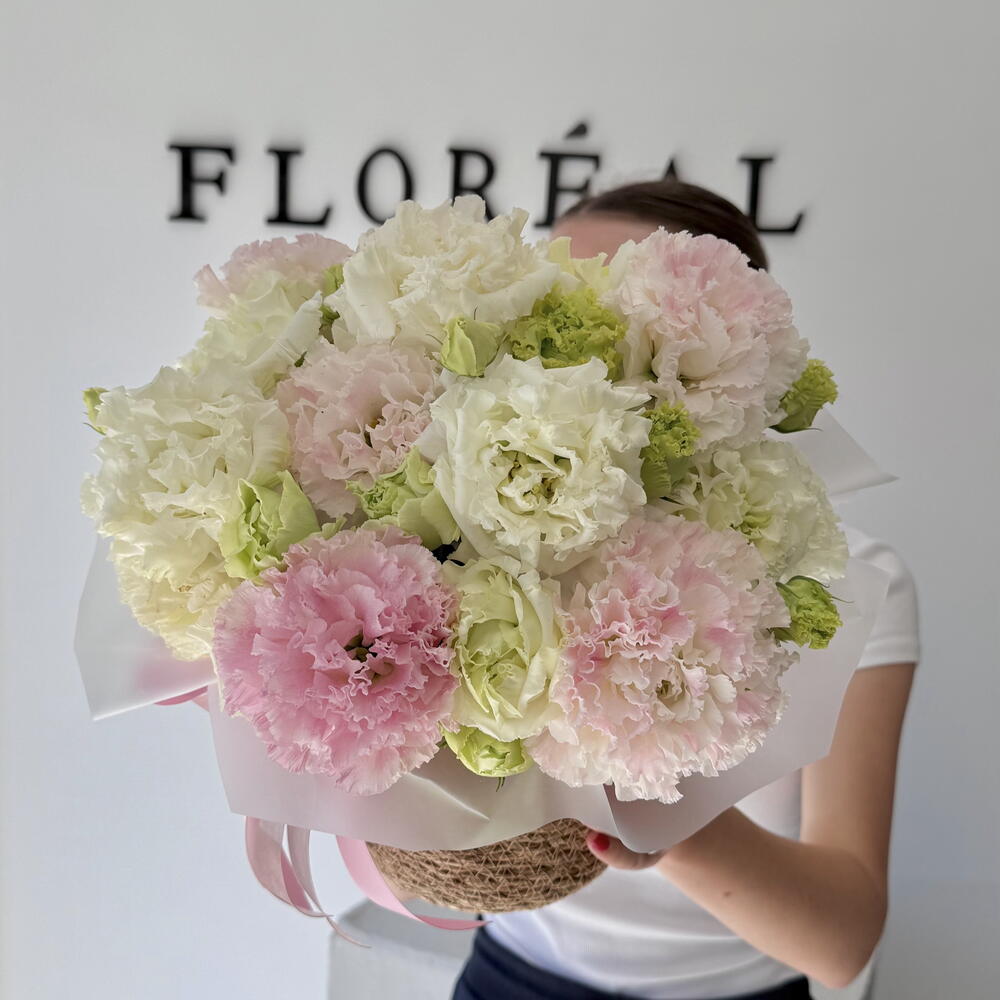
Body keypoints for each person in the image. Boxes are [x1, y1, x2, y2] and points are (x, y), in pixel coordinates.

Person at [450, 180, 920, 1000]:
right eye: (549, 309)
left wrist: (661, 818)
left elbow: (841, 942)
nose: (568, 350)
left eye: (613, 322)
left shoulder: (847, 583)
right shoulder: (473, 539)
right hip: (508, 975)